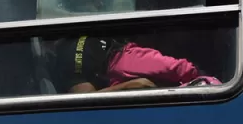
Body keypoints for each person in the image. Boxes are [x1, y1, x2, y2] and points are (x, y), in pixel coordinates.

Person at [55, 36, 219, 93]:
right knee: (177, 68)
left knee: (173, 71)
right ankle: (210, 85)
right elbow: (86, 97)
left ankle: (199, 84)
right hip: (117, 62)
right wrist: (129, 86)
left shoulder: (74, 30)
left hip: (124, 49)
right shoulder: (62, 64)